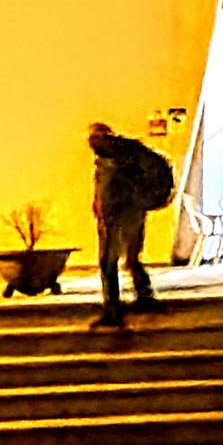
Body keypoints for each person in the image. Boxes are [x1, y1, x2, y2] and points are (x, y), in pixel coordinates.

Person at [88, 122, 163, 328]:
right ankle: (144, 295)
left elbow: (113, 191)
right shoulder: (112, 158)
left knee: (108, 263)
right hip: (122, 217)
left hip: (119, 218)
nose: (90, 143)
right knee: (130, 259)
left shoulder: (118, 159)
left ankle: (113, 309)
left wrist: (109, 211)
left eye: (94, 138)